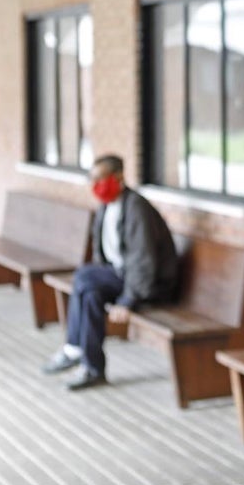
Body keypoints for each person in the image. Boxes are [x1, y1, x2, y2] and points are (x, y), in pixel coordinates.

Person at [41, 154, 179, 391]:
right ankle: (93, 369)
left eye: (101, 179)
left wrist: (128, 300)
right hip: (121, 276)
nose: (96, 186)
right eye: (92, 180)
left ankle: (73, 349)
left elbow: (143, 260)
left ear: (119, 177)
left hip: (151, 284)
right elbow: (102, 252)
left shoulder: (136, 208)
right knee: (91, 293)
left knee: (84, 277)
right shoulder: (106, 207)